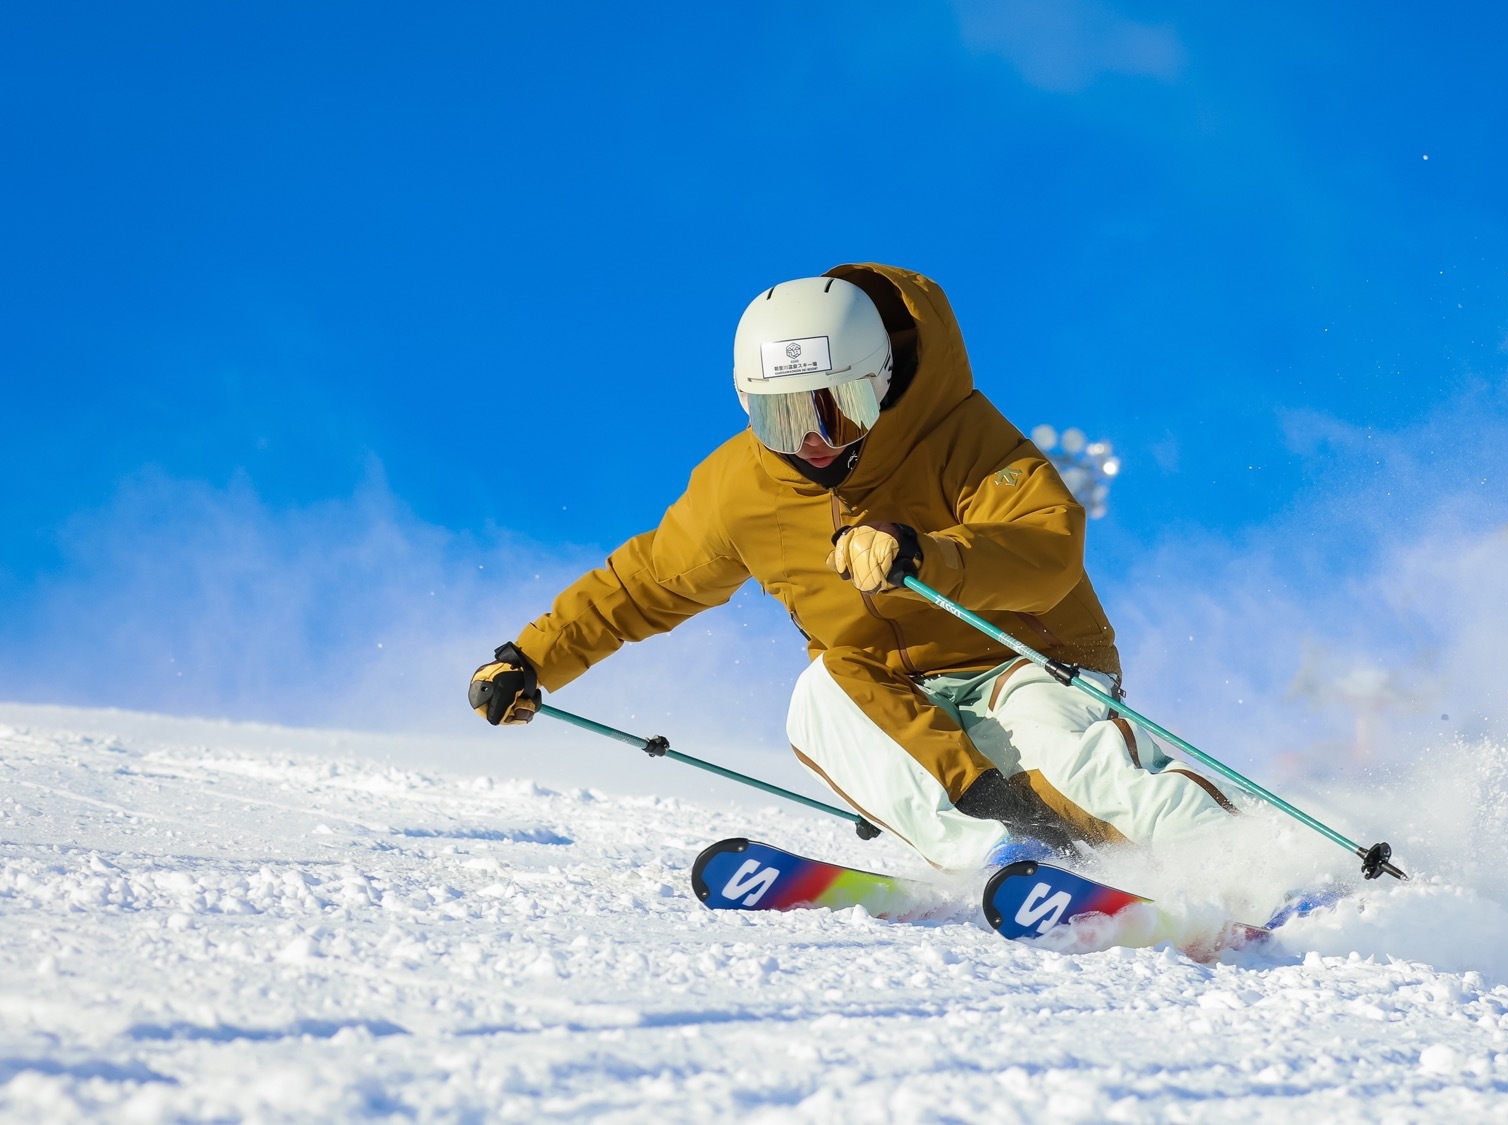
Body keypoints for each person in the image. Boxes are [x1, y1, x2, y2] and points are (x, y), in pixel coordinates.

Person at [468, 264, 1239, 870]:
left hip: (1024, 657)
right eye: (782, 414)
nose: (811, 439)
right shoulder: (740, 488)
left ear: (881, 382)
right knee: (819, 699)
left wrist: (926, 552)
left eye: (837, 408)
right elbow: (646, 582)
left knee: (1070, 755)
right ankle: (1002, 853)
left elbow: (1046, 546)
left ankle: (1243, 861)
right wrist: (531, 658)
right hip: (891, 691)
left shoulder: (957, 434)